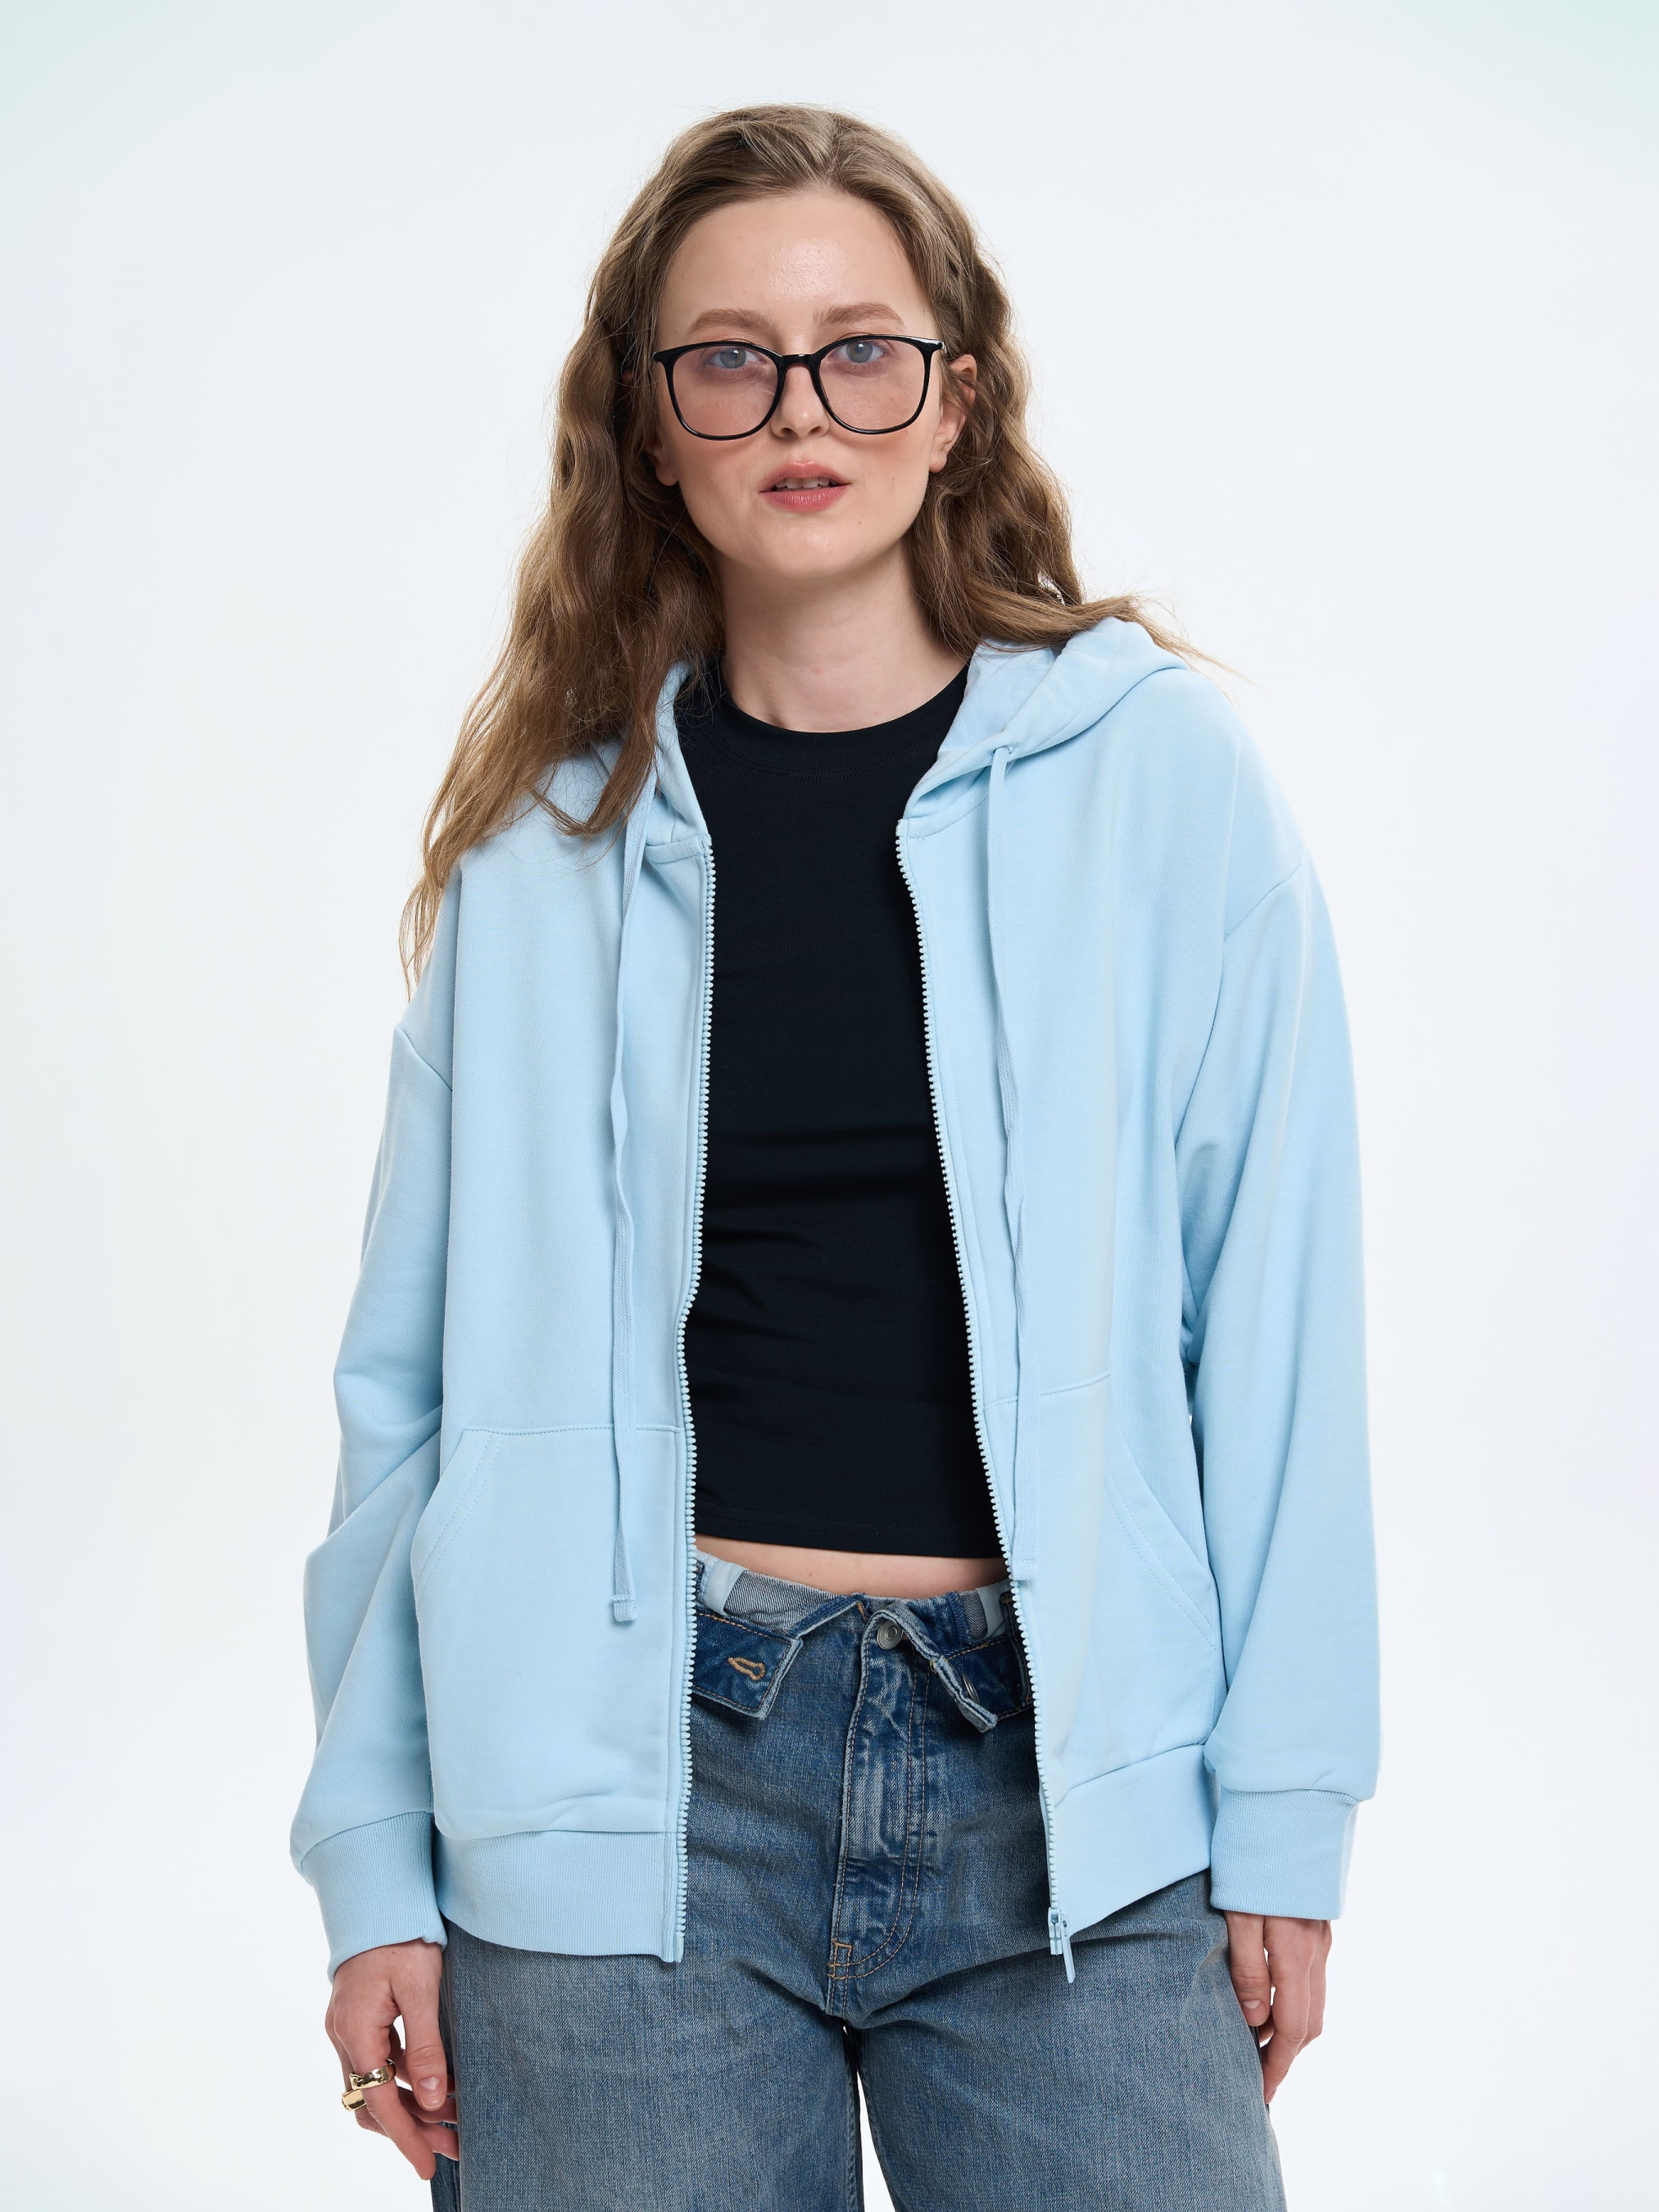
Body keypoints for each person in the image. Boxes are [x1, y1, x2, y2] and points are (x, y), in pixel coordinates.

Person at [292, 103, 1379, 2212]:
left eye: (859, 350)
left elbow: (1275, 1323)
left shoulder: (1154, 781)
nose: (800, 408)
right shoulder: (545, 850)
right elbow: (403, 1399)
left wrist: (1282, 1813)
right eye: (729, 359)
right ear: (649, 425)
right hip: (614, 1800)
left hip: (1077, 1794)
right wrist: (372, 1867)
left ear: (955, 398)